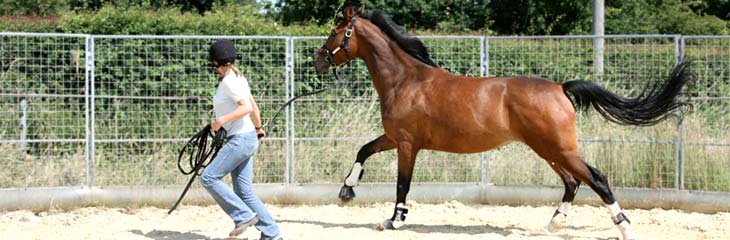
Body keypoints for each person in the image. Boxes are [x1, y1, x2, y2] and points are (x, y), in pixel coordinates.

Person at [200, 39, 283, 240]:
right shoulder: (238, 77)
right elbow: (255, 108)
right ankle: (272, 235)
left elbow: (245, 107)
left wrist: (220, 121)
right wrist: (258, 128)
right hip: (247, 137)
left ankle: (243, 216)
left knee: (208, 177)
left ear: (214, 61)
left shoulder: (229, 80)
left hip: (239, 140)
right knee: (243, 191)